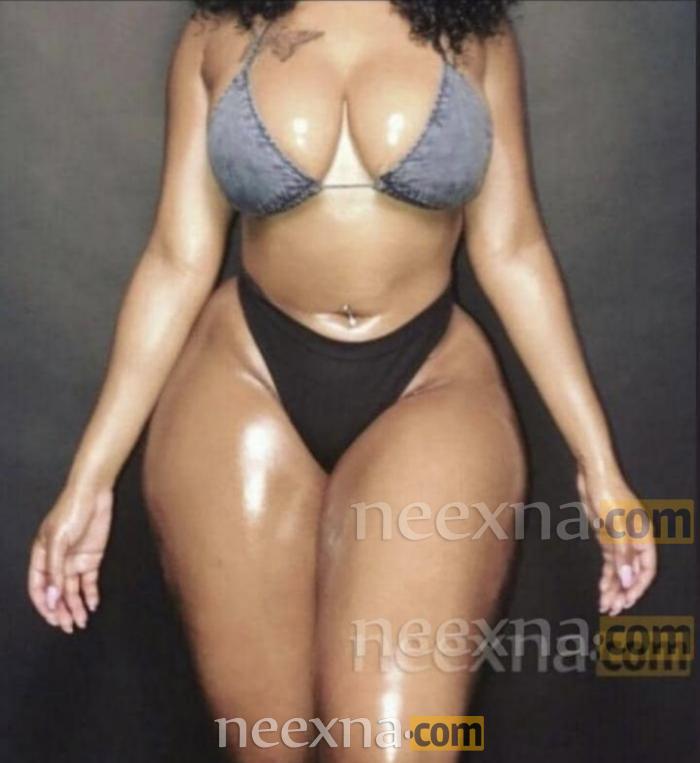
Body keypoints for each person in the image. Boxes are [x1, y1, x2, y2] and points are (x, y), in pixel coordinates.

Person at [27, 1, 657, 759]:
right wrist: (89, 480)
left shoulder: (473, 35)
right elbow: (177, 257)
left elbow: (513, 247)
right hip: (247, 374)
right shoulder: (216, 33)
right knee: (268, 745)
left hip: (428, 381)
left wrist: (599, 465)